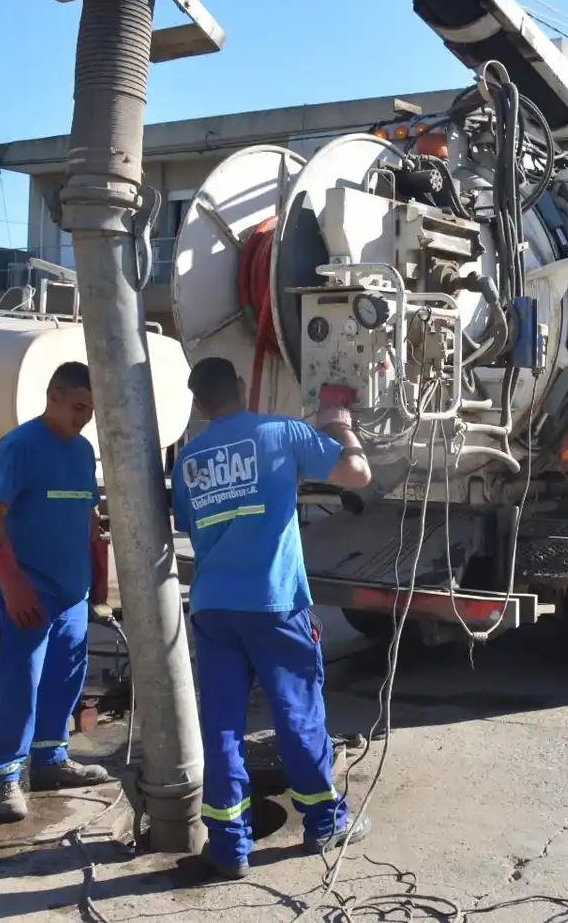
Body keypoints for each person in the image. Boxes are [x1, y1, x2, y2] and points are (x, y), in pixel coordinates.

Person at [172, 356, 373, 878]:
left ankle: (229, 846)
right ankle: (324, 822)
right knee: (296, 714)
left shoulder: (189, 458)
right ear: (241, 386)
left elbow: (188, 523)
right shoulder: (280, 432)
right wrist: (340, 429)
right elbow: (357, 474)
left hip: (213, 604)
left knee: (221, 727)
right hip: (274, 602)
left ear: (198, 404)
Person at [0, 361, 115, 824]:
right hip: (30, 589)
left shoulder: (81, 452)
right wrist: (11, 584)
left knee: (66, 677)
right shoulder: (19, 447)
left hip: (71, 591)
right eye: (78, 406)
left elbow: (88, 515)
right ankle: (3, 778)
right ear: (53, 396)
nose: (84, 417)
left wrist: (99, 579)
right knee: (23, 681)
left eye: (91, 410)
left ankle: (51, 760)